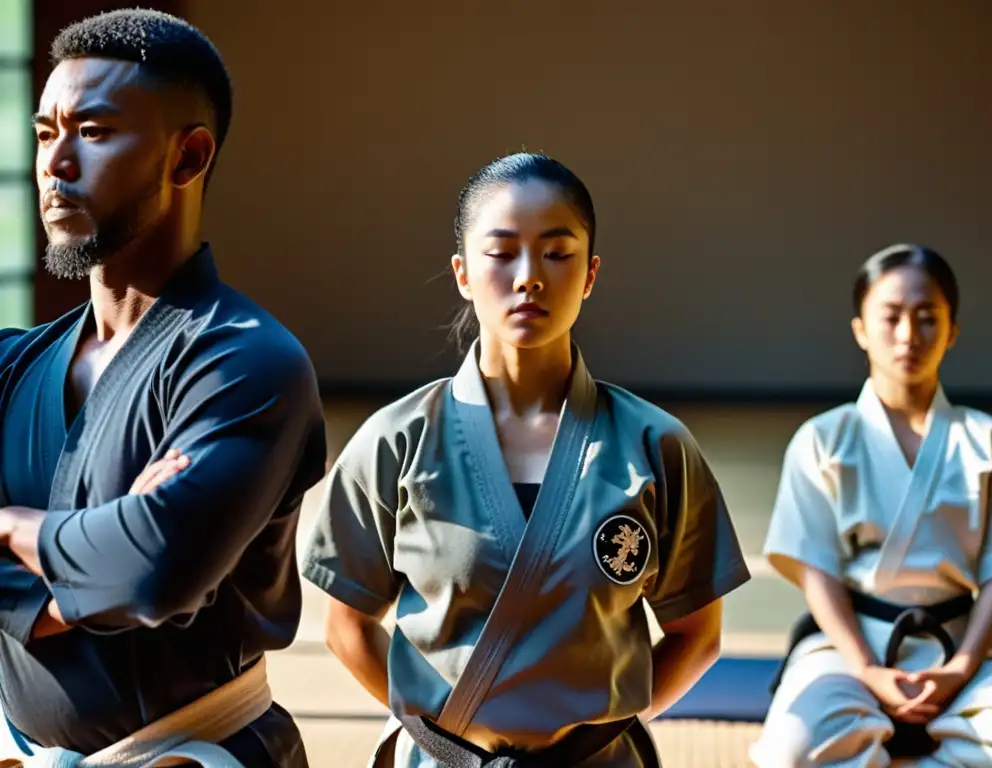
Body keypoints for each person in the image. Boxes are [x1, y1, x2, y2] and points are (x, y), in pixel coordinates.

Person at [301, 151, 752, 767]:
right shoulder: (394, 441)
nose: (529, 276)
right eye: (502, 251)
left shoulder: (655, 446)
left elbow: (696, 636)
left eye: (556, 253)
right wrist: (438, 735)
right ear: (462, 273)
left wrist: (607, 728)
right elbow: (346, 628)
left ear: (590, 275)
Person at [0, 9, 327, 768]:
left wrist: (11, 527)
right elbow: (120, 566)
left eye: (93, 131)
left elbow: (149, 572)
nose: (56, 162)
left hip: (199, 753)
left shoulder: (249, 364)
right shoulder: (13, 364)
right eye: (46, 132)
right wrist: (93, 548)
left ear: (188, 156)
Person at [749, 244, 992, 767]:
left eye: (927, 318)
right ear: (860, 329)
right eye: (891, 316)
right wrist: (868, 669)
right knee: (793, 752)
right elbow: (816, 570)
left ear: (952, 330)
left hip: (963, 641)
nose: (908, 335)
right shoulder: (824, 439)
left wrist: (963, 666)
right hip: (848, 644)